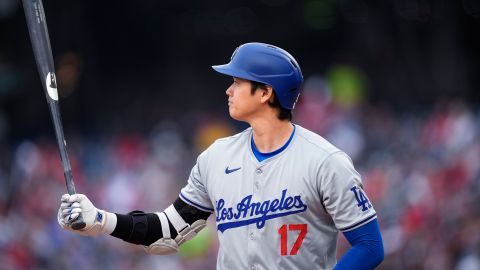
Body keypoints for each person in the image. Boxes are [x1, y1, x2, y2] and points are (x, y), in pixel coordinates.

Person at [58, 42, 384, 269]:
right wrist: (101, 221)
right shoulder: (215, 157)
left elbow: (369, 246)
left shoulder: (325, 161)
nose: (228, 90)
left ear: (266, 92)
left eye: (238, 81)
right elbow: (168, 232)